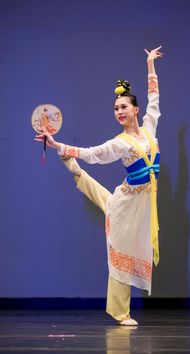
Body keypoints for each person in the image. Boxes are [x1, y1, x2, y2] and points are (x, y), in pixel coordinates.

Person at [35, 47, 163, 325]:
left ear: (135, 110)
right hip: (128, 204)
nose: (119, 111)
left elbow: (154, 101)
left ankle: (71, 166)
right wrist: (58, 144)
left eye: (124, 107)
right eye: (116, 108)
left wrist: (150, 65)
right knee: (120, 249)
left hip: (139, 201)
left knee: (105, 200)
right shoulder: (119, 143)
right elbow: (94, 153)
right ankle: (120, 313)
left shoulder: (150, 129)